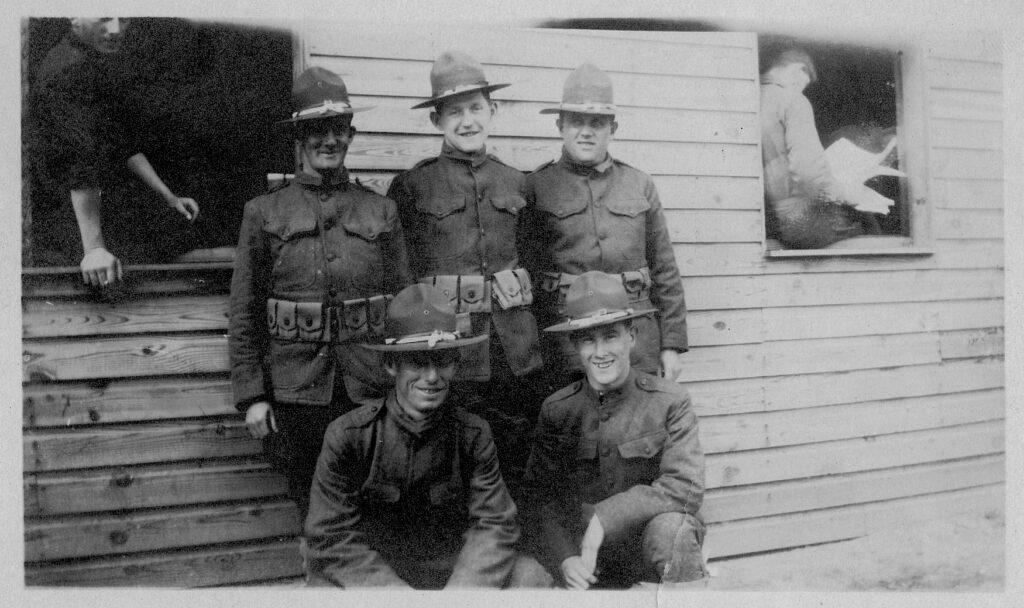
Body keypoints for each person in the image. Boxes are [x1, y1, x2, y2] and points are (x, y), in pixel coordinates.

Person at [228, 66, 411, 522]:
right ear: (299, 136)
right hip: (296, 394)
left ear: (351, 135)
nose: (329, 140)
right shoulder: (264, 212)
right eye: (316, 129)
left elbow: (406, 307)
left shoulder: (381, 210)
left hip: (370, 388)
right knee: (314, 511)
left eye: (338, 129)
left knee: (376, 508)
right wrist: (252, 396)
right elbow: (245, 312)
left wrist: (406, 386)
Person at [304, 284, 552, 589]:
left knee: (531, 578)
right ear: (391, 365)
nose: (432, 377)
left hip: (452, 575)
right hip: (375, 578)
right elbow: (331, 537)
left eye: (443, 361)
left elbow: (495, 524)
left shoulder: (473, 434)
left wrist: (458, 596)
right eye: (418, 362)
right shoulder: (350, 436)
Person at [386, 50, 544, 488]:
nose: (467, 121)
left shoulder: (517, 183)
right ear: (437, 119)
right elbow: (402, 279)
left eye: (476, 108)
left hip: (516, 355)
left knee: (518, 460)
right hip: (452, 355)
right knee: (455, 463)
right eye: (454, 112)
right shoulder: (413, 186)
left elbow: (534, 262)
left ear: (492, 111)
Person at [523, 271, 707, 589]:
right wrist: (565, 557)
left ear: (631, 336)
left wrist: (604, 518)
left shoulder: (669, 401)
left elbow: (684, 486)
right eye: (587, 340)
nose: (600, 352)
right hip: (585, 558)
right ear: (575, 346)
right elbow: (541, 498)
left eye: (610, 336)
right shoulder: (558, 410)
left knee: (671, 532)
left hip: (645, 546)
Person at [522, 63, 688, 390]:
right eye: (576, 122)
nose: (586, 131)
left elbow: (665, 269)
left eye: (597, 123)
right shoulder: (536, 187)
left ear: (613, 128)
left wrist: (671, 345)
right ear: (560, 126)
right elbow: (528, 270)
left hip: (635, 334)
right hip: (567, 338)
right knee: (574, 429)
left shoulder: (639, 184)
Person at [28, 17, 202, 286]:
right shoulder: (67, 70)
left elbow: (121, 143)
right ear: (74, 17)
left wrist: (169, 196)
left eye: (125, 18)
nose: (116, 29)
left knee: (184, 240)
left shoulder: (92, 61)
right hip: (69, 218)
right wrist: (94, 249)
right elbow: (80, 159)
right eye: (104, 18)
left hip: (96, 207)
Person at [760, 46, 879, 249]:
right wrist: (845, 193)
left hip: (765, 222)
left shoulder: (749, 98)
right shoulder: (792, 101)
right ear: (798, 70)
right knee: (872, 227)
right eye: (802, 85)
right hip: (799, 222)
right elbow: (808, 171)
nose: (801, 91)